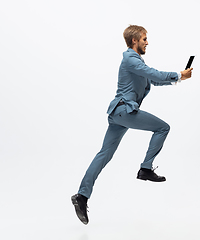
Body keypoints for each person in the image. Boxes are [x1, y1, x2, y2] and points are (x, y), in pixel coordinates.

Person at [71, 25, 193, 225]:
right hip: (124, 110)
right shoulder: (130, 58)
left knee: (104, 155)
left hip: (119, 113)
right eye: (144, 38)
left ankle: (81, 197)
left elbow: (152, 80)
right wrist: (178, 74)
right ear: (134, 40)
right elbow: (152, 73)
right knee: (163, 128)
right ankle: (145, 169)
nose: (147, 42)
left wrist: (179, 79)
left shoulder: (135, 62)